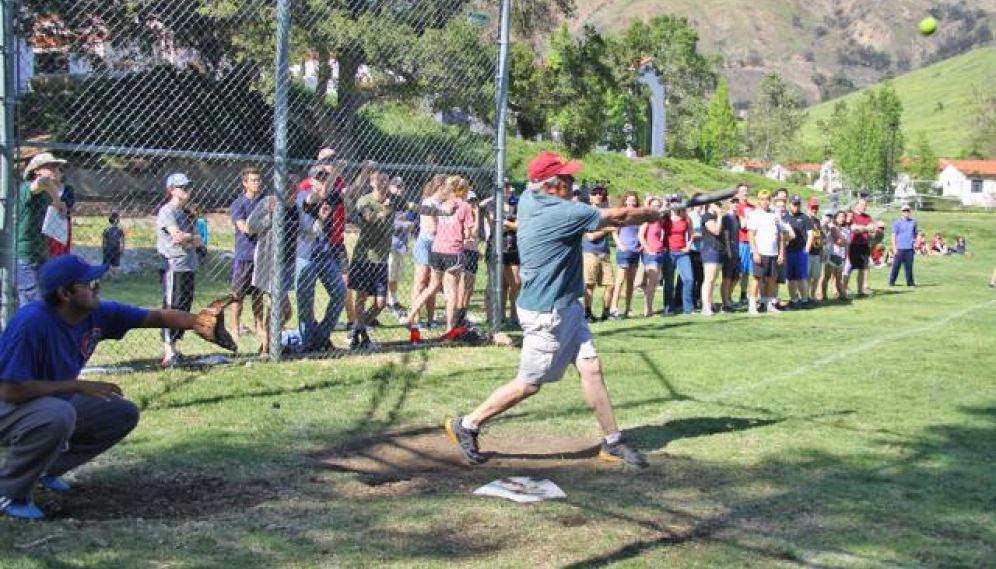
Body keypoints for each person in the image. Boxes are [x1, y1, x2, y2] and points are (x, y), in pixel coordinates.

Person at [444, 151, 666, 469]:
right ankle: (467, 424)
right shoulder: (560, 212)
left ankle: (613, 441)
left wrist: (645, 213)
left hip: (565, 305)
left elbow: (598, 221)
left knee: (591, 368)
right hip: (547, 312)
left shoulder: (528, 200)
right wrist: (652, 213)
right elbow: (617, 218)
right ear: (551, 185)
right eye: (566, 179)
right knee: (529, 384)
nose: (573, 183)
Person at [0, 255, 227, 520]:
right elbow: (9, 390)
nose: (97, 288)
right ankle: (9, 492)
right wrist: (77, 386)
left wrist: (198, 322)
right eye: (89, 283)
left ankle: (43, 470)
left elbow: (155, 316)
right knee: (58, 415)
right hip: (9, 405)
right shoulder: (32, 323)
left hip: (45, 401)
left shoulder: (97, 313)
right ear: (65, 293)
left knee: (120, 413)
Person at [246, 173, 302, 356]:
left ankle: (270, 346)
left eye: (295, 189)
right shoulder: (269, 202)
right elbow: (250, 226)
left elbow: (304, 233)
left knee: (282, 311)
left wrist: (319, 222)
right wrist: (271, 216)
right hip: (270, 263)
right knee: (281, 309)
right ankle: (268, 347)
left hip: (287, 263)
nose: (293, 192)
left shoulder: (296, 207)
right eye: (289, 188)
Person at [296, 166, 347, 353]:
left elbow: (351, 193)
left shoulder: (329, 196)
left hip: (325, 255)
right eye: (319, 179)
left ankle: (322, 336)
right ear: (311, 181)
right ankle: (307, 343)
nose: (323, 182)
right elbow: (312, 199)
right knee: (306, 303)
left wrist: (364, 171)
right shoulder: (303, 195)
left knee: (340, 293)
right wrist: (321, 193)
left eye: (326, 179)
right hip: (306, 256)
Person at [157, 173, 202, 366]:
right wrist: (192, 238)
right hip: (173, 265)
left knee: (183, 306)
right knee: (171, 306)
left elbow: (196, 239)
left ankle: (174, 349)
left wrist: (190, 238)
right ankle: (168, 351)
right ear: (171, 190)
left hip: (188, 264)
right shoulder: (167, 211)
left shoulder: (186, 213)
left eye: (188, 187)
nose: (187, 191)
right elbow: (178, 237)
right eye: (182, 187)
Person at [348, 169, 397, 350]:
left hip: (381, 260)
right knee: (361, 297)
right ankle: (360, 336)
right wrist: (384, 212)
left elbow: (414, 207)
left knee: (380, 303)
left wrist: (443, 212)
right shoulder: (365, 201)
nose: (383, 183)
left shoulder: (392, 200)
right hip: (364, 258)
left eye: (386, 180)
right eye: (379, 180)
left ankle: (357, 329)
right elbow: (368, 218)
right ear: (372, 183)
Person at [16, 153, 69, 306]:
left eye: (57, 167)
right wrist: (57, 202)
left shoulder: (47, 194)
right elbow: (44, 181)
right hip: (25, 256)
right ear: (36, 171)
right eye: (51, 167)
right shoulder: (28, 188)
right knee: (32, 304)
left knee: (44, 301)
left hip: (41, 255)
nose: (57, 170)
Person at [230, 167, 266, 339]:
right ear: (245, 183)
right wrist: (260, 227)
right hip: (244, 255)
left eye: (258, 180)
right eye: (253, 180)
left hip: (260, 255)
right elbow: (243, 227)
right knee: (238, 295)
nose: (257, 183)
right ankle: (235, 327)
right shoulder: (239, 204)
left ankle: (259, 326)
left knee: (258, 295)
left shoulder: (264, 203)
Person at [409, 175, 447, 329]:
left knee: (433, 283)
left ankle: (431, 320)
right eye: (447, 187)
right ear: (440, 187)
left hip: (438, 245)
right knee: (420, 282)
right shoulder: (428, 202)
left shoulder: (443, 204)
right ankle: (414, 319)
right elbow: (433, 228)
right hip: (426, 244)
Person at [746, 190, 784, 315]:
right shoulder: (755, 214)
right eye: (762, 199)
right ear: (758, 200)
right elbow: (751, 234)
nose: (765, 201)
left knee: (772, 279)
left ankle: (769, 304)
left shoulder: (774, 215)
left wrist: (781, 252)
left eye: (767, 199)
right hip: (760, 251)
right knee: (757, 278)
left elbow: (780, 235)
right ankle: (752, 305)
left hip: (773, 252)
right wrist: (755, 252)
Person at [582, 185, 614, 323]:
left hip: (604, 252)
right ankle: (588, 313)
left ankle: (606, 313)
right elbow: (590, 237)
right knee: (590, 284)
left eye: (601, 194)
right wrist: (607, 229)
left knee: (610, 284)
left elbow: (615, 228)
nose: (598, 196)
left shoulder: (606, 213)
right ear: (590, 197)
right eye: (595, 194)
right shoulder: (586, 213)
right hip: (590, 252)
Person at [609, 191, 641, 319]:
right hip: (624, 250)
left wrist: (639, 245)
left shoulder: (638, 216)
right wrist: (620, 245)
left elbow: (640, 233)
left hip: (635, 251)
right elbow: (614, 232)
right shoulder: (621, 215)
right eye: (629, 200)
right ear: (625, 201)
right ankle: (613, 307)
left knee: (631, 282)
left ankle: (628, 308)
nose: (632, 202)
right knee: (620, 280)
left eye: (634, 200)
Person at [386, 177, 415, 318]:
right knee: (389, 274)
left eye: (402, 186)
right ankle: (388, 302)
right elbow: (389, 224)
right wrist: (404, 224)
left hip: (401, 245)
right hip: (390, 245)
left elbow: (409, 220)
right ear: (390, 187)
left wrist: (406, 224)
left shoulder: (404, 204)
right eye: (397, 186)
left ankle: (394, 301)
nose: (400, 189)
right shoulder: (388, 202)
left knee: (396, 275)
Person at [663, 195, 694, 315]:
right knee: (669, 282)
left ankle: (688, 308)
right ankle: (669, 309)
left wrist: (688, 246)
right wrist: (664, 207)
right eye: (673, 203)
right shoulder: (666, 218)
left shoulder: (686, 218)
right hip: (669, 252)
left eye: (677, 202)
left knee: (689, 279)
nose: (675, 205)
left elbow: (691, 234)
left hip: (682, 252)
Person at [637, 196, 667, 317]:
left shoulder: (659, 220)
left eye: (658, 206)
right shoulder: (647, 220)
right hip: (651, 254)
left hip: (660, 252)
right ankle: (648, 310)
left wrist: (663, 204)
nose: (657, 208)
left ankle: (649, 309)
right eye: (654, 206)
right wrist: (649, 250)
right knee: (652, 283)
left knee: (654, 283)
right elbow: (640, 236)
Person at [783, 195, 814, 308]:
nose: (796, 206)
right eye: (794, 204)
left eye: (798, 204)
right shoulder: (785, 217)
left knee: (802, 277)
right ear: (789, 204)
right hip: (788, 251)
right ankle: (793, 300)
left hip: (800, 251)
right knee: (790, 277)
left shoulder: (805, 218)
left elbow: (810, 235)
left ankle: (805, 300)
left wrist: (806, 250)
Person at [699, 200, 726, 315]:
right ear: (710, 205)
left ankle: (710, 304)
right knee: (709, 279)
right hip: (710, 250)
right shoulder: (707, 216)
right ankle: (705, 306)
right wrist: (720, 215)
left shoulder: (715, 217)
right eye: (716, 204)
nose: (719, 206)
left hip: (718, 250)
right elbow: (715, 230)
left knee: (713, 280)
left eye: (720, 204)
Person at [719, 196, 741, 312]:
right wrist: (728, 250)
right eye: (733, 202)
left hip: (737, 250)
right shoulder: (726, 218)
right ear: (728, 204)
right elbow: (726, 235)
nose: (735, 204)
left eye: (737, 202)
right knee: (727, 277)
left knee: (736, 277)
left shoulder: (736, 217)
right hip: (729, 250)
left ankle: (729, 297)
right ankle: (725, 302)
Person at [848, 198, 875, 295]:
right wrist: (866, 228)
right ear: (857, 205)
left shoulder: (868, 217)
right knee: (849, 268)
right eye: (862, 205)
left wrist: (862, 228)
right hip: (853, 244)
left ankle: (860, 290)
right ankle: (845, 288)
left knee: (862, 269)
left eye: (865, 205)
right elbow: (854, 229)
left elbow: (872, 228)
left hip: (864, 245)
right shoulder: (852, 216)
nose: (864, 207)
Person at [888, 204, 918, 287]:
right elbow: (894, 235)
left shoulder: (913, 222)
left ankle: (910, 283)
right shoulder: (897, 223)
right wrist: (894, 247)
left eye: (908, 210)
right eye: (904, 211)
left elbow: (915, 234)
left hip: (909, 248)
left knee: (909, 267)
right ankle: (891, 281)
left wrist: (915, 242)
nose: (906, 212)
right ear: (902, 212)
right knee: (896, 266)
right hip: (899, 248)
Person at [806, 198, 824, 303]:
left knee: (816, 276)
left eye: (816, 208)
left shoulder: (817, 221)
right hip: (808, 252)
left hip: (817, 252)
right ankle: (805, 295)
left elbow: (820, 237)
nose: (814, 210)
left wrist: (822, 250)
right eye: (813, 208)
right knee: (807, 276)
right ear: (808, 208)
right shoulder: (805, 219)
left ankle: (812, 296)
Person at [102, 212, 126, 281]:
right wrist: (122, 249)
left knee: (112, 264)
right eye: (118, 218)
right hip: (112, 249)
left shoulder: (117, 230)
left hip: (112, 249)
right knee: (113, 264)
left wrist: (122, 249)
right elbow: (104, 241)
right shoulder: (112, 230)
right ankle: (113, 277)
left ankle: (113, 277)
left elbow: (122, 240)